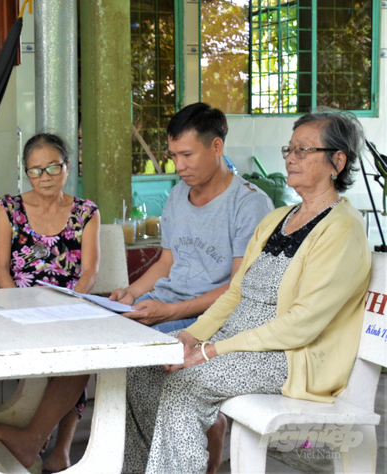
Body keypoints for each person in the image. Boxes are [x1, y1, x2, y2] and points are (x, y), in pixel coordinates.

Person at [123, 109, 372, 474]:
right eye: (290, 148)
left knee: (182, 385)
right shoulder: (278, 219)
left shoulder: (343, 229)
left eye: (303, 150)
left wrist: (208, 352)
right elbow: (235, 294)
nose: (289, 157)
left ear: (337, 160)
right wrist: (191, 336)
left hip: (287, 356)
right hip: (236, 340)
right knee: (142, 369)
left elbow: (301, 325)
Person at [110, 103, 273, 472]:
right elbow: (167, 263)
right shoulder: (176, 197)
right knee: (109, 347)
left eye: (186, 154)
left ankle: (196, 440)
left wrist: (169, 313)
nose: (178, 165)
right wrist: (132, 293)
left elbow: (238, 288)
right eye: (173, 156)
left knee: (138, 364)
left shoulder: (249, 204)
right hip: (164, 303)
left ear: (216, 147)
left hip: (210, 315)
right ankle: (151, 458)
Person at [0, 133, 100, 472]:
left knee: (79, 354)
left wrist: (70, 308)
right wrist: (21, 310)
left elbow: (90, 273)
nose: (45, 177)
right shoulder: (9, 208)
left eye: (53, 167)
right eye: (35, 170)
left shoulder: (85, 212)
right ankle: (40, 442)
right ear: (26, 173)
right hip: (16, 307)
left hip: (70, 306)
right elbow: (0, 270)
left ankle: (56, 446)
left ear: (67, 168)